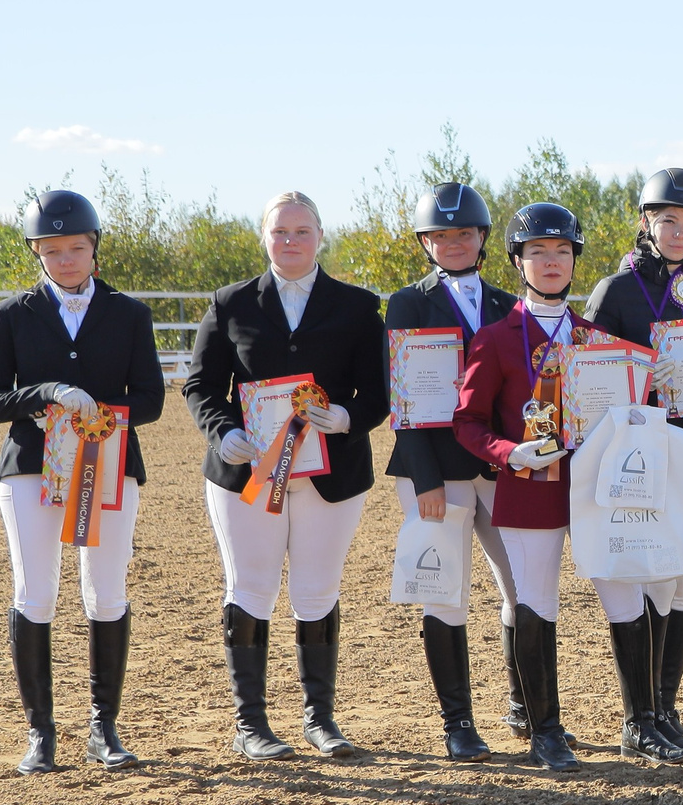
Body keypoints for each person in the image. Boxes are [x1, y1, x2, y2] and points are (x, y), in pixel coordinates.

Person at [184, 193, 387, 762]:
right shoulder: (229, 304)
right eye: (280, 232)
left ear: (320, 235)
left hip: (331, 473)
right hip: (246, 473)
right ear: (264, 237)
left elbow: (378, 393)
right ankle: (251, 724)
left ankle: (320, 719)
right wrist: (223, 431)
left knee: (317, 589)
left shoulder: (357, 307)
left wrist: (347, 417)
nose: (291, 241)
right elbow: (200, 387)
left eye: (302, 231)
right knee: (250, 587)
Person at [0, 188, 167, 775]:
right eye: (51, 250)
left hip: (108, 468)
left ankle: (103, 728)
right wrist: (49, 394)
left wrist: (97, 413)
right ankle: (41, 732)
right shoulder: (12, 314)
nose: (64, 260)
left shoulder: (129, 314)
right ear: (37, 252)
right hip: (31, 469)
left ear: (94, 248)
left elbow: (153, 400)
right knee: (36, 593)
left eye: (75, 248)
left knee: (106, 591)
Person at [449, 203, 612, 771]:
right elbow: (466, 421)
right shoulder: (494, 339)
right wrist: (505, 452)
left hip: (593, 492)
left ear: (574, 261)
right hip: (528, 488)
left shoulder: (596, 339)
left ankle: (646, 718)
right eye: (538, 251)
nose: (551, 261)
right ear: (517, 260)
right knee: (536, 604)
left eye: (562, 251)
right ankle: (547, 729)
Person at [583, 167, 683, 756]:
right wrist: (644, 380)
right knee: (646, 574)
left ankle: (666, 709)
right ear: (646, 222)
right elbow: (592, 377)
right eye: (667, 220)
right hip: (638, 450)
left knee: (682, 575)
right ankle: (637, 717)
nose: (678, 231)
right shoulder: (616, 290)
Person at [383, 182, 522, 761]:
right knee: (446, 592)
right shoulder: (407, 303)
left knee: (522, 585)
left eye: (464, 232)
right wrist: (423, 479)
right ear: (426, 242)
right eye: (442, 235)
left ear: (483, 238)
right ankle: (458, 721)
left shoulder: (506, 303)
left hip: (499, 461)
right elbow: (405, 395)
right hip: (436, 466)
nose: (454, 243)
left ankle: (527, 703)